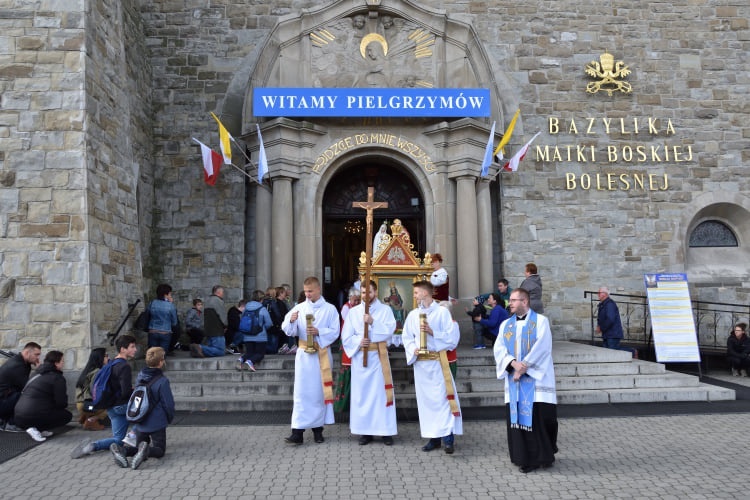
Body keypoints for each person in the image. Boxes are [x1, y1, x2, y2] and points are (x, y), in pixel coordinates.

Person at [493, 288, 558, 473]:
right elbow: (498, 349)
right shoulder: (506, 324)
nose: (510, 303)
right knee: (519, 419)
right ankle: (524, 457)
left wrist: (525, 366)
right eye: (510, 300)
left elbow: (543, 346)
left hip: (537, 381)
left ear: (525, 302)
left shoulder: (540, 321)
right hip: (514, 380)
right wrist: (513, 363)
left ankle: (544, 455)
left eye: (514, 300)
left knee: (540, 419)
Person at [401, 281, 462, 454]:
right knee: (427, 402)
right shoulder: (413, 315)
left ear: (425, 294)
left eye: (416, 293)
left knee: (444, 400)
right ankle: (433, 438)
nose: (414, 296)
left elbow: (452, 338)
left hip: (438, 363)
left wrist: (432, 332)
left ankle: (448, 439)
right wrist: (413, 349)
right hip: (421, 365)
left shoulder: (442, 313)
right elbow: (407, 337)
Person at [281, 276, 340, 445]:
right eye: (305, 291)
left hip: (321, 354)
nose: (307, 294)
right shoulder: (298, 308)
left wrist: (318, 331)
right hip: (304, 356)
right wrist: (291, 321)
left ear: (318, 289)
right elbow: (288, 330)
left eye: (310, 291)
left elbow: (335, 331)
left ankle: (318, 431)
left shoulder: (330, 309)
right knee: (301, 393)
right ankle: (297, 432)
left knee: (318, 393)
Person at [341, 280, 397, 445]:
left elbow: (390, 330)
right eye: (363, 293)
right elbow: (346, 336)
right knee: (362, 396)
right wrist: (359, 341)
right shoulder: (354, 312)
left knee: (381, 395)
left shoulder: (385, 310)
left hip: (379, 358)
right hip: (361, 359)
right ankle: (365, 432)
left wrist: (373, 322)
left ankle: (385, 431)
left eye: (369, 292)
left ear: (376, 292)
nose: (366, 296)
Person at [71, 334, 138, 459]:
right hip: (121, 405)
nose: (135, 349)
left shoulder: (110, 364)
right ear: (123, 349)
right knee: (149, 411)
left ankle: (92, 446)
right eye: (132, 347)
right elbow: (125, 392)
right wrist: (134, 391)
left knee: (118, 439)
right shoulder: (124, 366)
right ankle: (132, 438)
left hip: (111, 407)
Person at [110, 347, 175, 470]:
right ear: (161, 362)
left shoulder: (141, 375)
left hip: (140, 419)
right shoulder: (162, 381)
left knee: (138, 447)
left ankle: (122, 450)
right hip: (157, 422)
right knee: (160, 450)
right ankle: (146, 451)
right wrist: (169, 418)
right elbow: (168, 404)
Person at [13, 350, 73, 442]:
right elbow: (61, 402)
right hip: (33, 415)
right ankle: (35, 429)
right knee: (67, 415)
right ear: (56, 363)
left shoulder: (36, 373)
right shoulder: (57, 378)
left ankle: (37, 428)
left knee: (43, 408)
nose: (63, 363)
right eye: (62, 361)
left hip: (17, 416)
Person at [0, 341, 41, 432]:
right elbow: (28, 387)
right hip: (2, 400)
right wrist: (38, 371)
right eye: (36, 354)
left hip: (5, 397)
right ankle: (10, 423)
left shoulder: (23, 363)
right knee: (25, 396)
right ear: (27, 353)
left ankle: (5, 419)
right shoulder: (17, 366)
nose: (38, 358)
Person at [334, 287, 360, 413]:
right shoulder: (346, 308)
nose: (356, 303)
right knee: (347, 368)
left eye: (358, 300)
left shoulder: (359, 308)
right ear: (349, 298)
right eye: (354, 300)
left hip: (358, 342)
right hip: (348, 341)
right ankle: (344, 403)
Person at [596, 286, 637, 358]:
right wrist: (599, 326)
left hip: (613, 333)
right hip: (607, 333)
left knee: (614, 350)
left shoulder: (610, 304)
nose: (598, 294)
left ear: (604, 294)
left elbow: (610, 319)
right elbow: (601, 318)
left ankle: (632, 352)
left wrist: (601, 328)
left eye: (599, 293)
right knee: (608, 351)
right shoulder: (603, 304)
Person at [237, 290, 273, 372]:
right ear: (261, 299)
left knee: (249, 353)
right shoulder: (262, 309)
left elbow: (242, 319)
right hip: (260, 336)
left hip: (247, 336)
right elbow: (269, 323)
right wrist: (263, 328)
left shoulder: (246, 308)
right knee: (260, 354)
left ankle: (241, 359)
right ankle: (250, 362)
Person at [74, 347, 109, 431]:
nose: (108, 358)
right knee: (112, 408)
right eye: (106, 355)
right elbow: (95, 391)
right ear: (100, 357)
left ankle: (85, 416)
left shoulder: (88, 370)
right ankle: (91, 421)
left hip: (80, 403)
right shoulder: (97, 371)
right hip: (87, 404)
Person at [193, 284, 227, 358]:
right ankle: (200, 347)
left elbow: (202, 316)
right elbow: (222, 315)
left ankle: (200, 350)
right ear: (218, 292)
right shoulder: (218, 301)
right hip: (217, 330)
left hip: (208, 330)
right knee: (221, 351)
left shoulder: (207, 301)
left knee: (212, 348)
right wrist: (226, 325)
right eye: (222, 292)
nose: (223, 294)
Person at [147, 283, 179, 352]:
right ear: (165, 295)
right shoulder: (170, 306)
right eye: (170, 294)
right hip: (165, 332)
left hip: (152, 330)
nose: (170, 295)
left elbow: (148, 315)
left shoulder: (152, 303)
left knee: (152, 354)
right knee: (162, 355)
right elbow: (174, 322)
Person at [272, 286, 295, 354]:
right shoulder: (280, 303)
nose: (286, 294)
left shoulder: (277, 302)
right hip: (282, 324)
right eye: (284, 292)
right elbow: (283, 314)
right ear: (281, 293)